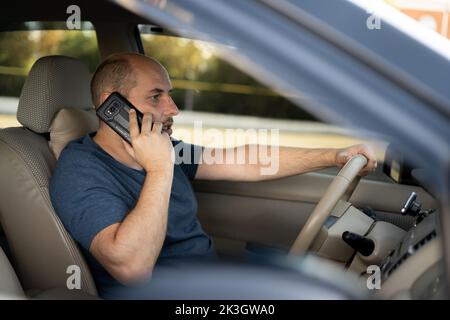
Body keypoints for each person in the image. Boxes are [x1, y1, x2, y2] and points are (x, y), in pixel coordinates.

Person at [50, 53, 377, 298]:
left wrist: (334, 156)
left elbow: (242, 161)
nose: (173, 108)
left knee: (314, 282)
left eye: (169, 94)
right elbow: (132, 268)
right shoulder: (80, 169)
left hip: (204, 282)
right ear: (112, 106)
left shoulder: (169, 149)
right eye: (156, 96)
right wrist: (160, 168)